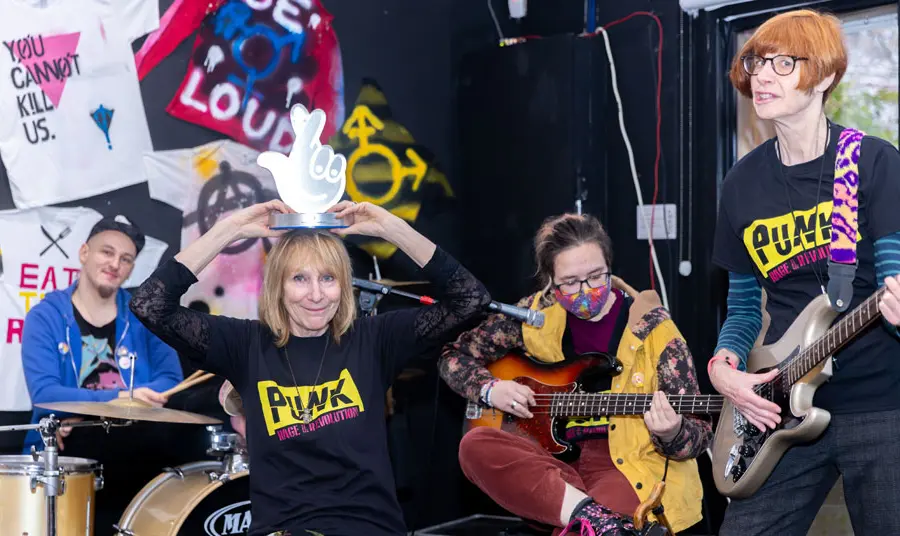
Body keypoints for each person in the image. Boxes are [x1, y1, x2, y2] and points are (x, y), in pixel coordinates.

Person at [129, 199, 491, 536]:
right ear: (279, 287)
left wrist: (390, 228)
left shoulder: (375, 339)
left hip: (369, 527)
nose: (316, 295)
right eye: (300, 278)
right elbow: (150, 303)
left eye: (328, 278)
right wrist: (233, 228)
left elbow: (471, 299)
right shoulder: (246, 344)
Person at [710, 9, 900, 535]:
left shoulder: (873, 163)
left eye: (783, 63)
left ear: (826, 77)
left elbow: (893, 280)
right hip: (780, 404)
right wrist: (724, 366)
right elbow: (746, 307)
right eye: (755, 62)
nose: (762, 75)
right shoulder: (740, 186)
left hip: (880, 405)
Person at [439, 213, 712, 536]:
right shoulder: (533, 316)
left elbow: (698, 434)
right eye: (570, 282)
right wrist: (490, 389)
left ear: (610, 267)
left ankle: (589, 517)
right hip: (551, 462)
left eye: (596, 276)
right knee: (474, 445)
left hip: (626, 465)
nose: (586, 290)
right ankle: (590, 514)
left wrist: (671, 433)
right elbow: (452, 357)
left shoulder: (655, 331)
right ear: (550, 284)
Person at [20, 215, 188, 533]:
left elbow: (171, 381)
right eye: (106, 252)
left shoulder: (144, 317)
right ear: (84, 253)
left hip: (133, 454)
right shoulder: (45, 316)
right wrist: (122, 397)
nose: (115, 264)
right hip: (63, 458)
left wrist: (85, 410)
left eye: (126, 259)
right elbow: (45, 393)